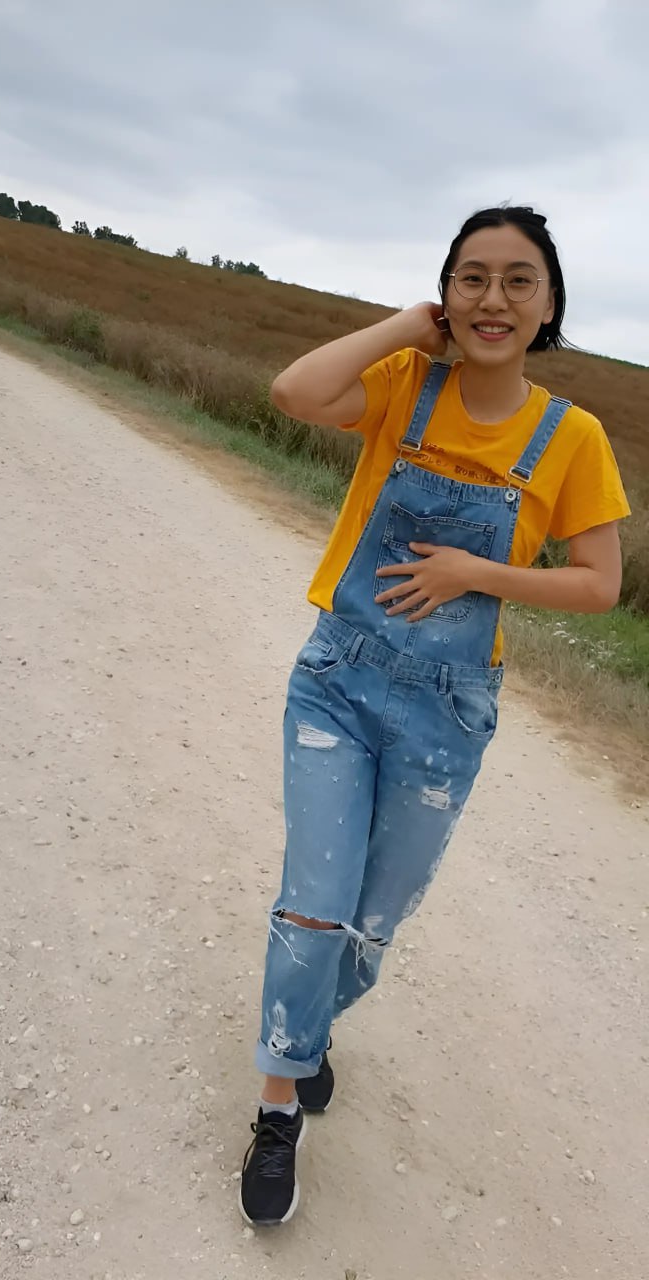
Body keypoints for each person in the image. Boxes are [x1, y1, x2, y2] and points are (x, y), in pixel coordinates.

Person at [239, 206, 630, 1227]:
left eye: (518, 279)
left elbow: (599, 584)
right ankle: (279, 1101)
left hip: (447, 715)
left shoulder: (572, 438)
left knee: (370, 926)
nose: (493, 298)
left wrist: (476, 572)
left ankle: (307, 1026)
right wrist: (407, 327)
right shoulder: (405, 384)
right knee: (315, 903)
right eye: (471, 277)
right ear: (446, 291)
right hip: (337, 680)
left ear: (550, 302)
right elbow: (293, 392)